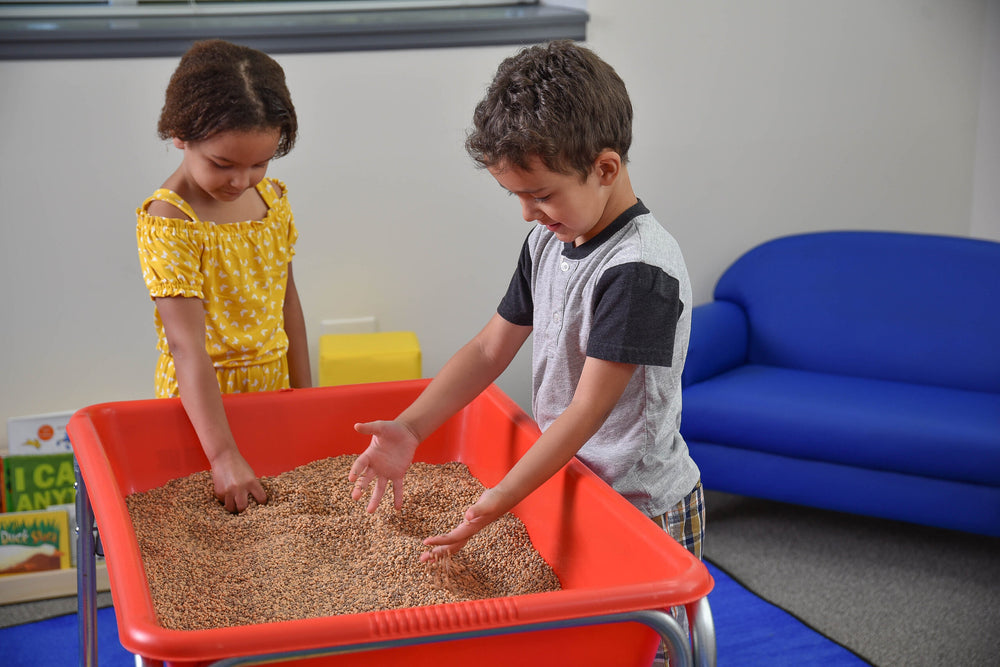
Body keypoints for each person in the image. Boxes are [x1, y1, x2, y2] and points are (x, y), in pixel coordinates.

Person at [350, 39, 702, 568]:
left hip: (641, 505)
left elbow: (585, 412)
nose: (526, 213)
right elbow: (490, 348)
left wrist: (500, 498)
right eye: (513, 195)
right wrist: (412, 427)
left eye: (540, 194)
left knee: (651, 648)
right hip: (573, 479)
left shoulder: (639, 273)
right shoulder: (548, 240)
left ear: (605, 168)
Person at [137, 39, 311, 514]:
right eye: (223, 164)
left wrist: (307, 400)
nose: (240, 181)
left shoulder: (271, 199)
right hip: (201, 407)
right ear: (179, 134)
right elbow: (185, 345)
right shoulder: (171, 218)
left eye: (259, 163)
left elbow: (287, 303)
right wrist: (223, 453)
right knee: (216, 506)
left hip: (273, 384)